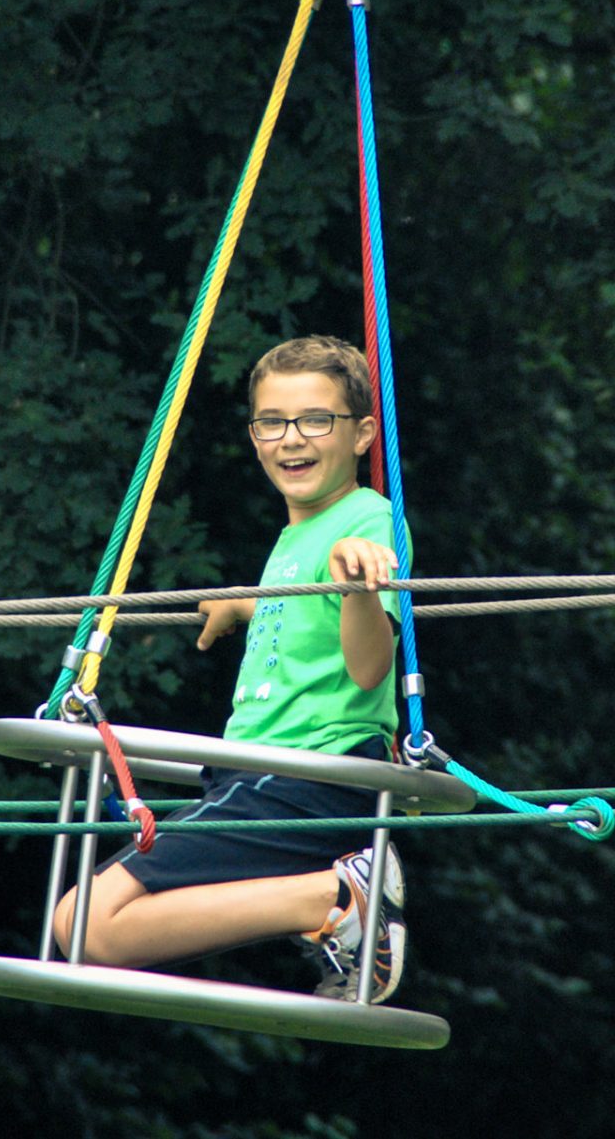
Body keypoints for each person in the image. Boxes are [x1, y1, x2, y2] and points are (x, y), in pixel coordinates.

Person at [50, 334, 411, 1002]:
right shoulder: (299, 535)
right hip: (266, 779)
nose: (291, 438)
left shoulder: (365, 519)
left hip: (304, 779)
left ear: (362, 434)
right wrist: (248, 604)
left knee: (83, 924)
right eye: (272, 422)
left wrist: (359, 589)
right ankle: (333, 899)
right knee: (84, 927)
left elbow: (368, 668)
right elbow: (308, 607)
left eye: (316, 420)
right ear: (254, 436)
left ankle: (333, 898)